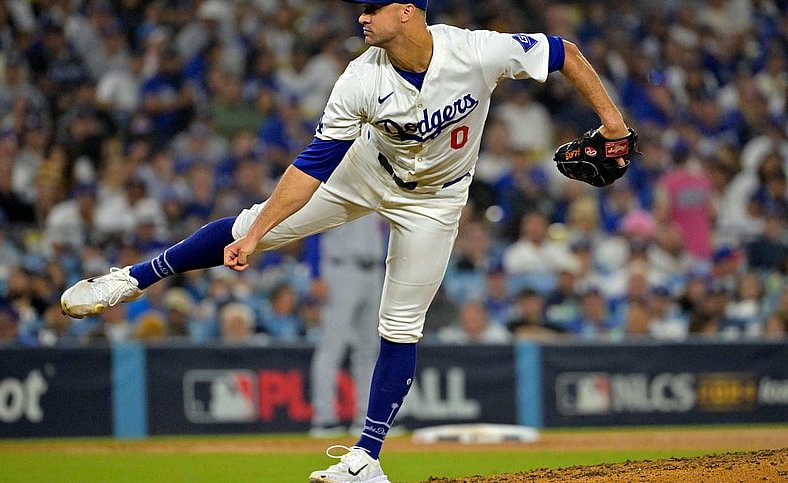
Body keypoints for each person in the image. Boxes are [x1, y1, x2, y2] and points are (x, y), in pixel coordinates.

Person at [60, 2, 633, 481]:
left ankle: (366, 459)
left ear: (407, 12)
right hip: (367, 170)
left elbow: (561, 52)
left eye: (372, 6)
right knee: (246, 223)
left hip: (436, 199)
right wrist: (259, 236)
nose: (361, 15)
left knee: (401, 323)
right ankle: (129, 280)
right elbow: (312, 168)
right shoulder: (361, 77)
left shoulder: (475, 50)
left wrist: (613, 123)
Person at [308, 215, 386, 438]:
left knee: (369, 349)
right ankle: (324, 419)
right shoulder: (334, 184)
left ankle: (366, 419)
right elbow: (313, 232)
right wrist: (315, 274)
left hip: (374, 271)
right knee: (332, 346)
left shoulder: (379, 187)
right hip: (340, 268)